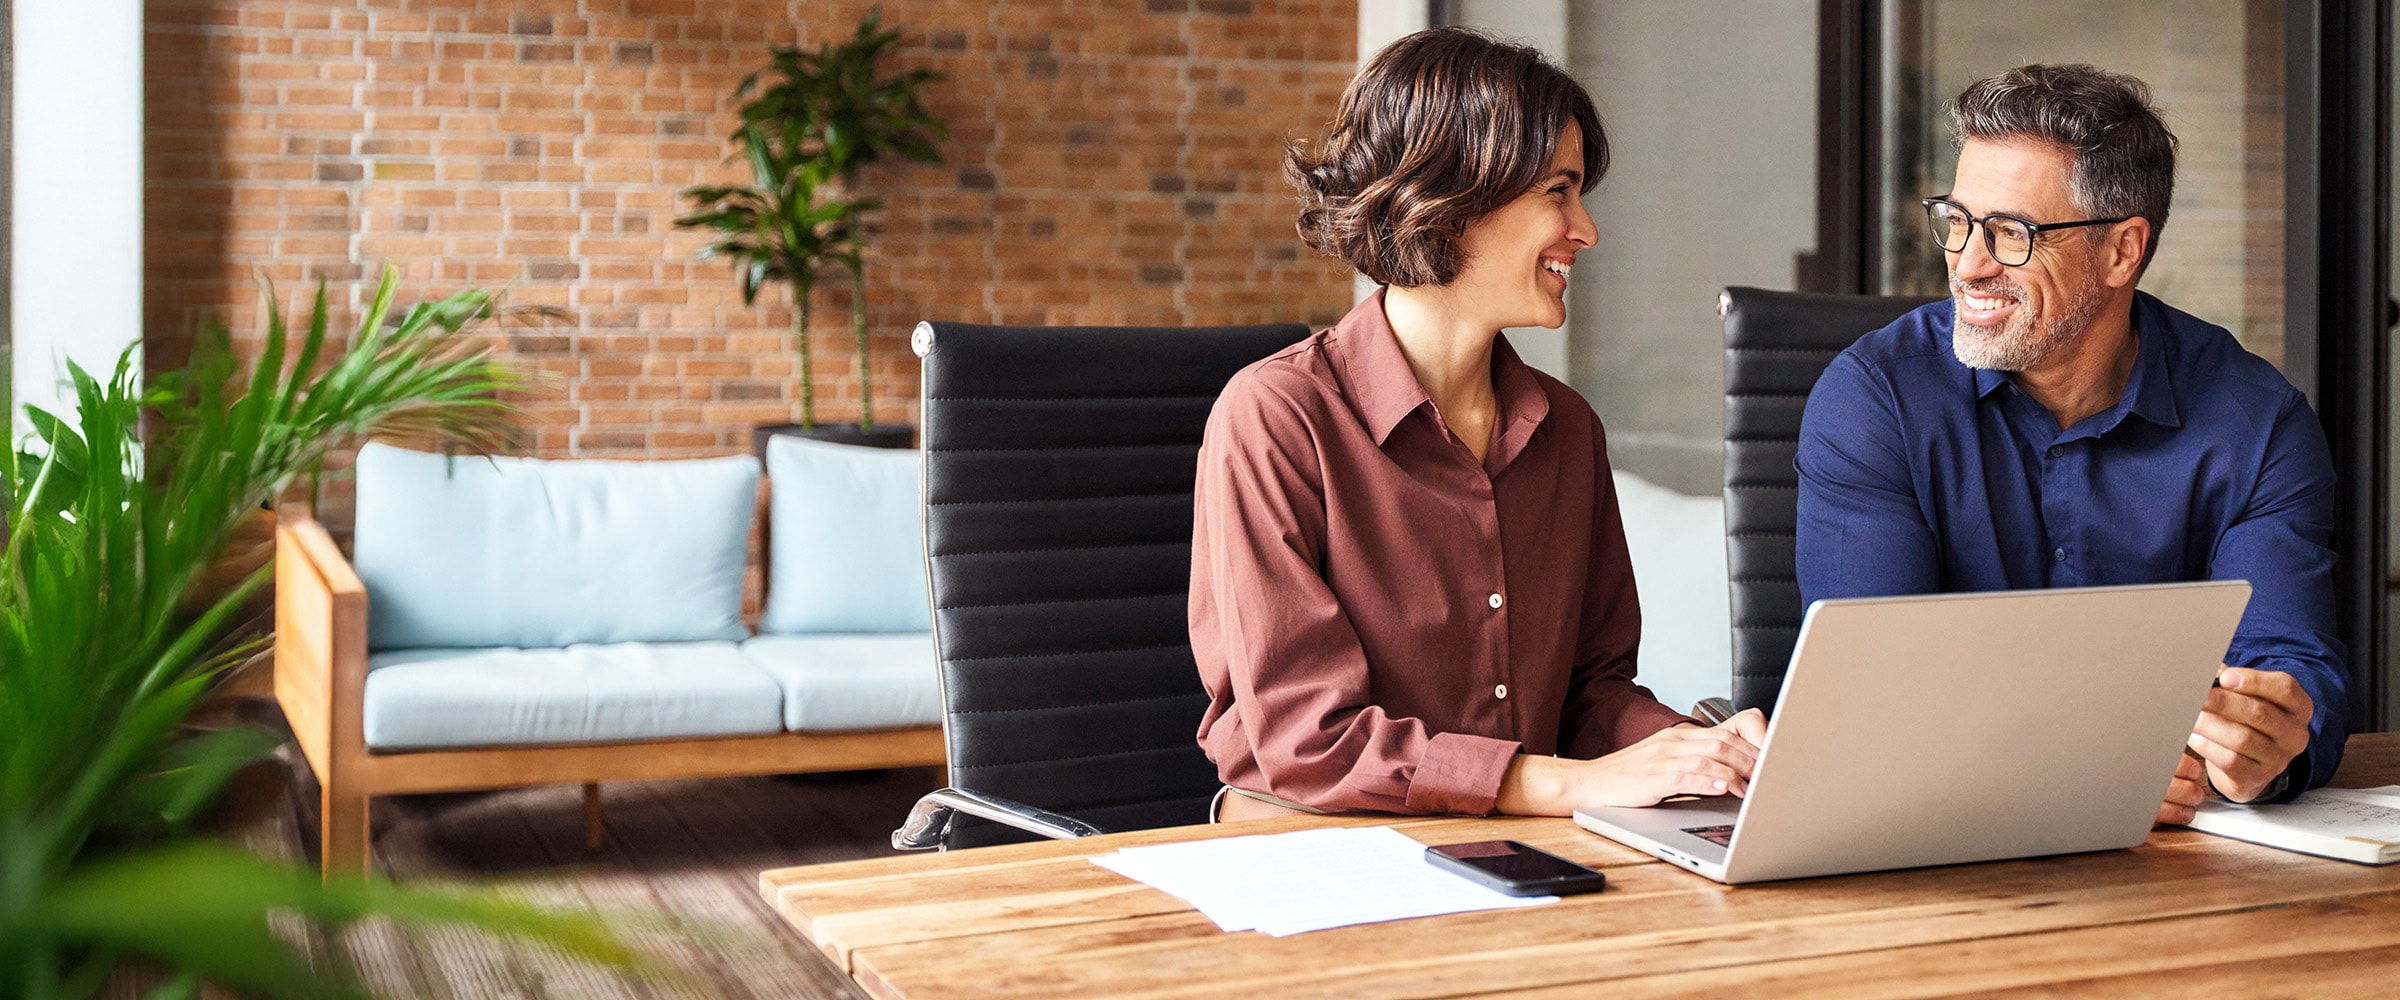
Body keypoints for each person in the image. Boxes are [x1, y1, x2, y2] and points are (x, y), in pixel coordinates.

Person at [1188, 27, 1766, 822]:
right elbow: (1309, 739)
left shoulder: (1567, 431)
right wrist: (1569, 784)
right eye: (1558, 192)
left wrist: (1706, 754)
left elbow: (1591, 696)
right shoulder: (1277, 419)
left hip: (1517, 843)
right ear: (1455, 201)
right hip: (1315, 847)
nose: (1585, 229)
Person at [1795, 64, 2349, 825]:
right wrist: (2079, 765)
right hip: (1926, 846)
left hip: (2179, 860)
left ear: (2123, 251)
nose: (1968, 262)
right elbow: (1865, 687)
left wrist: (2264, 750)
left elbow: (2293, 666)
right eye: (1956, 220)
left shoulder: (2259, 424)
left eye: (2011, 233)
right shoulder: (1876, 398)